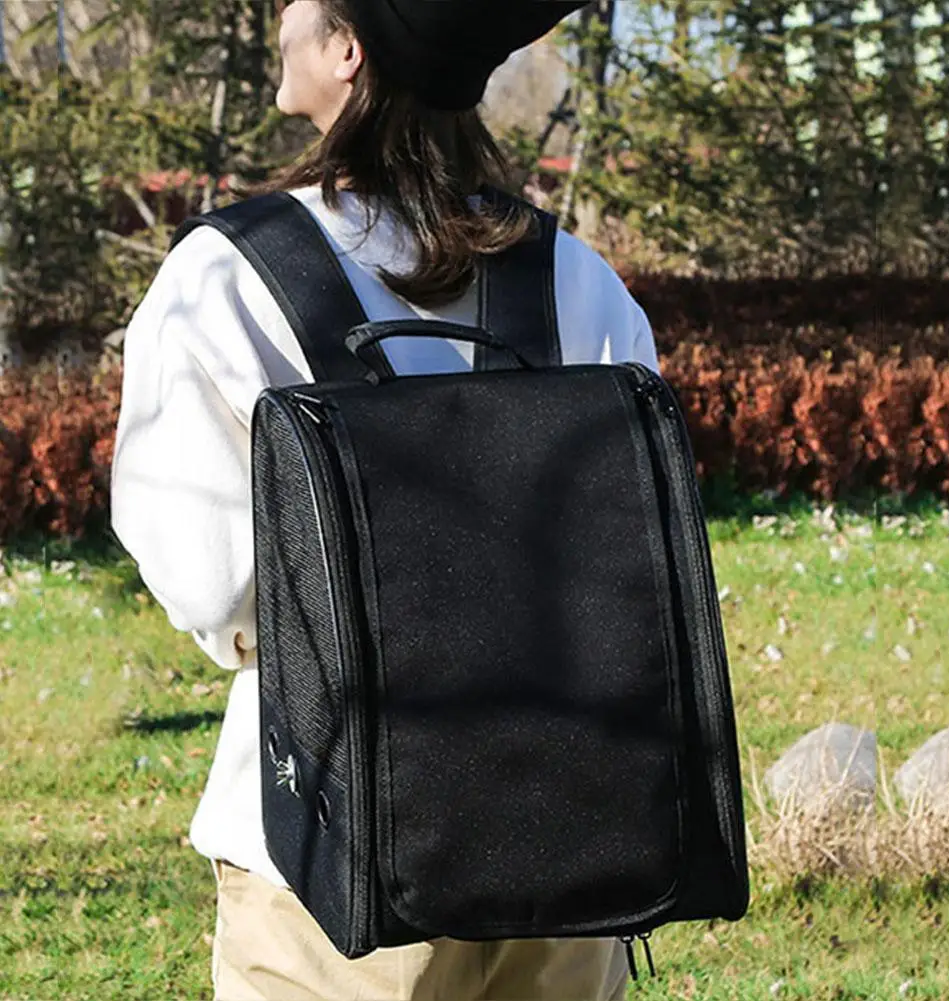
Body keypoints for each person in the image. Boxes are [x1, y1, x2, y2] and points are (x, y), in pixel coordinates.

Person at [110, 1, 661, 998]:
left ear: (347, 49)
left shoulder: (225, 279)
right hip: (573, 835)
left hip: (330, 857)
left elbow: (216, 587)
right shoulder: (575, 278)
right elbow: (634, 551)